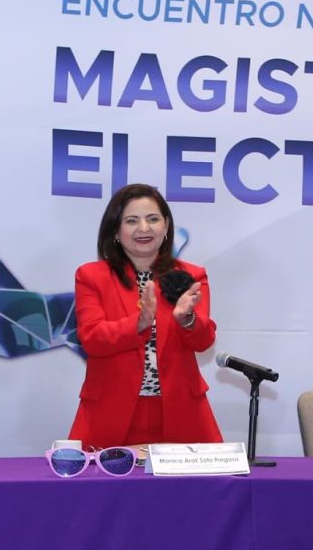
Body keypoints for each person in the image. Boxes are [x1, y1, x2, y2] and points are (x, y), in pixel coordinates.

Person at [68, 183, 221, 449]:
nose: (144, 228)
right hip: (109, 412)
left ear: (166, 226)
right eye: (131, 221)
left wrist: (186, 320)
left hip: (181, 410)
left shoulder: (191, 275)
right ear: (115, 230)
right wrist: (138, 324)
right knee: (96, 478)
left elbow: (203, 341)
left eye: (153, 219)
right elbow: (92, 338)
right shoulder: (91, 276)